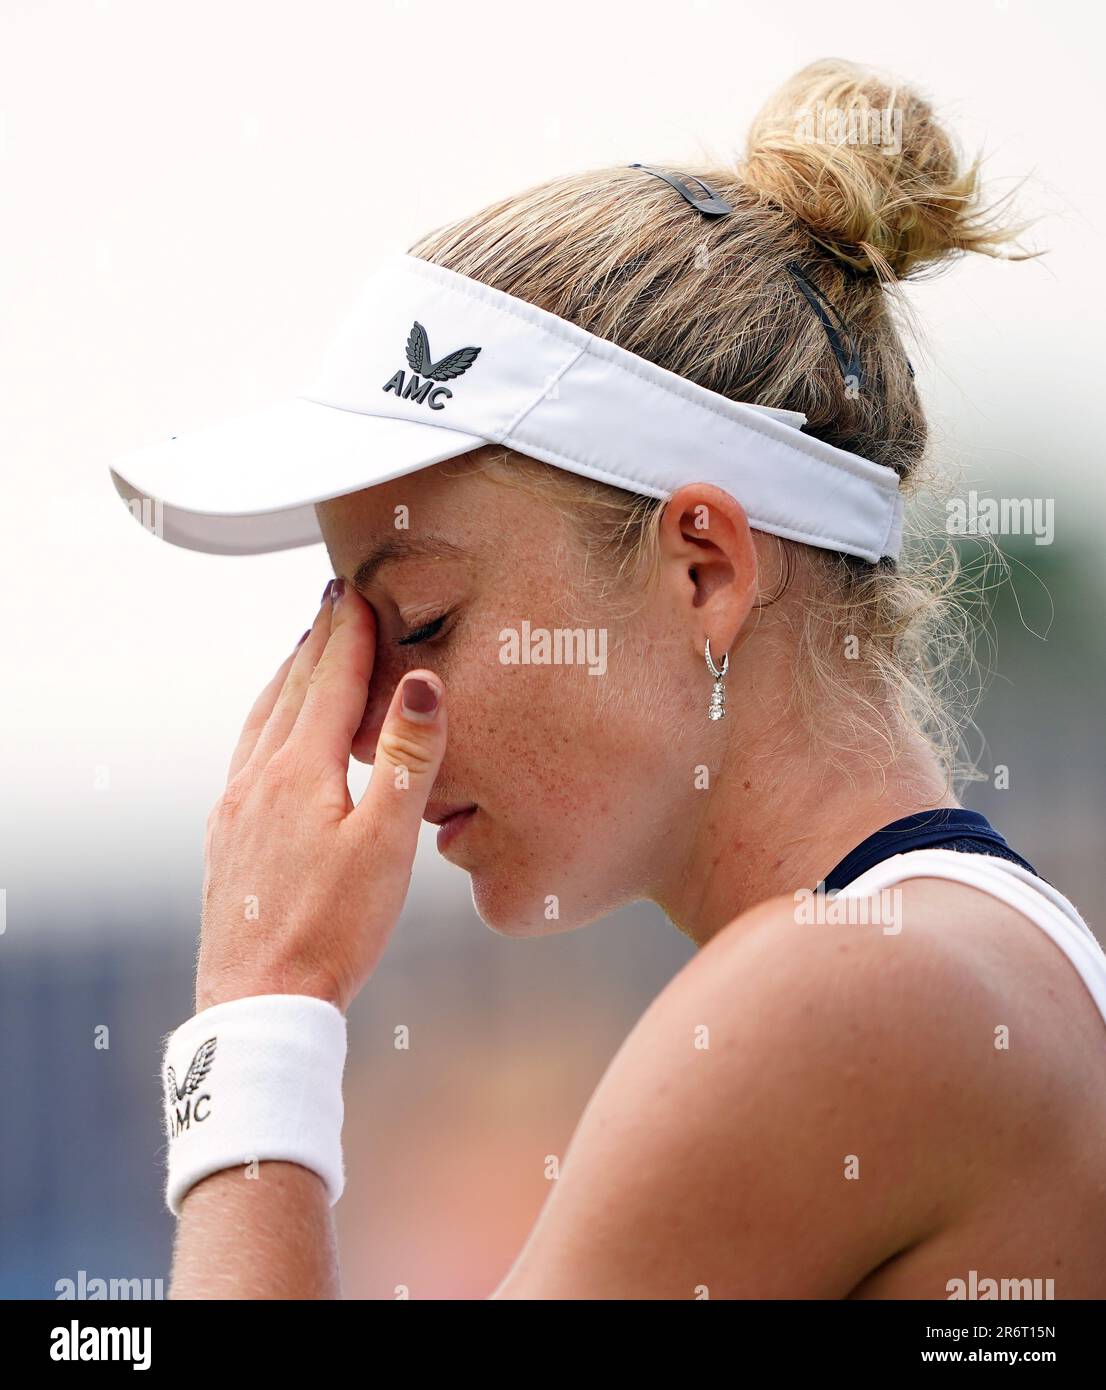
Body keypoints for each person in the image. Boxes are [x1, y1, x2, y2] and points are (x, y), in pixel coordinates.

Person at [111, 58, 1106, 1299]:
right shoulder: (955, 956)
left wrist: (261, 1004)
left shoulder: (842, 992)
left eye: (417, 620)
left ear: (702, 569)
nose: (362, 731)